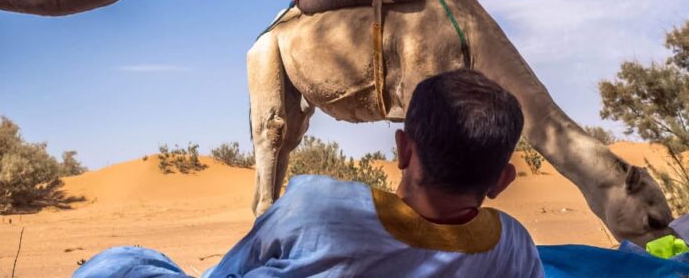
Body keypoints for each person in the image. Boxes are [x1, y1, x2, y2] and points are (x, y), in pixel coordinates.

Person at [73, 69, 544, 278]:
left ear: (403, 149)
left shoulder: (318, 205)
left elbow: (236, 269)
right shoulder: (515, 246)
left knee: (121, 264)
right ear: (502, 180)